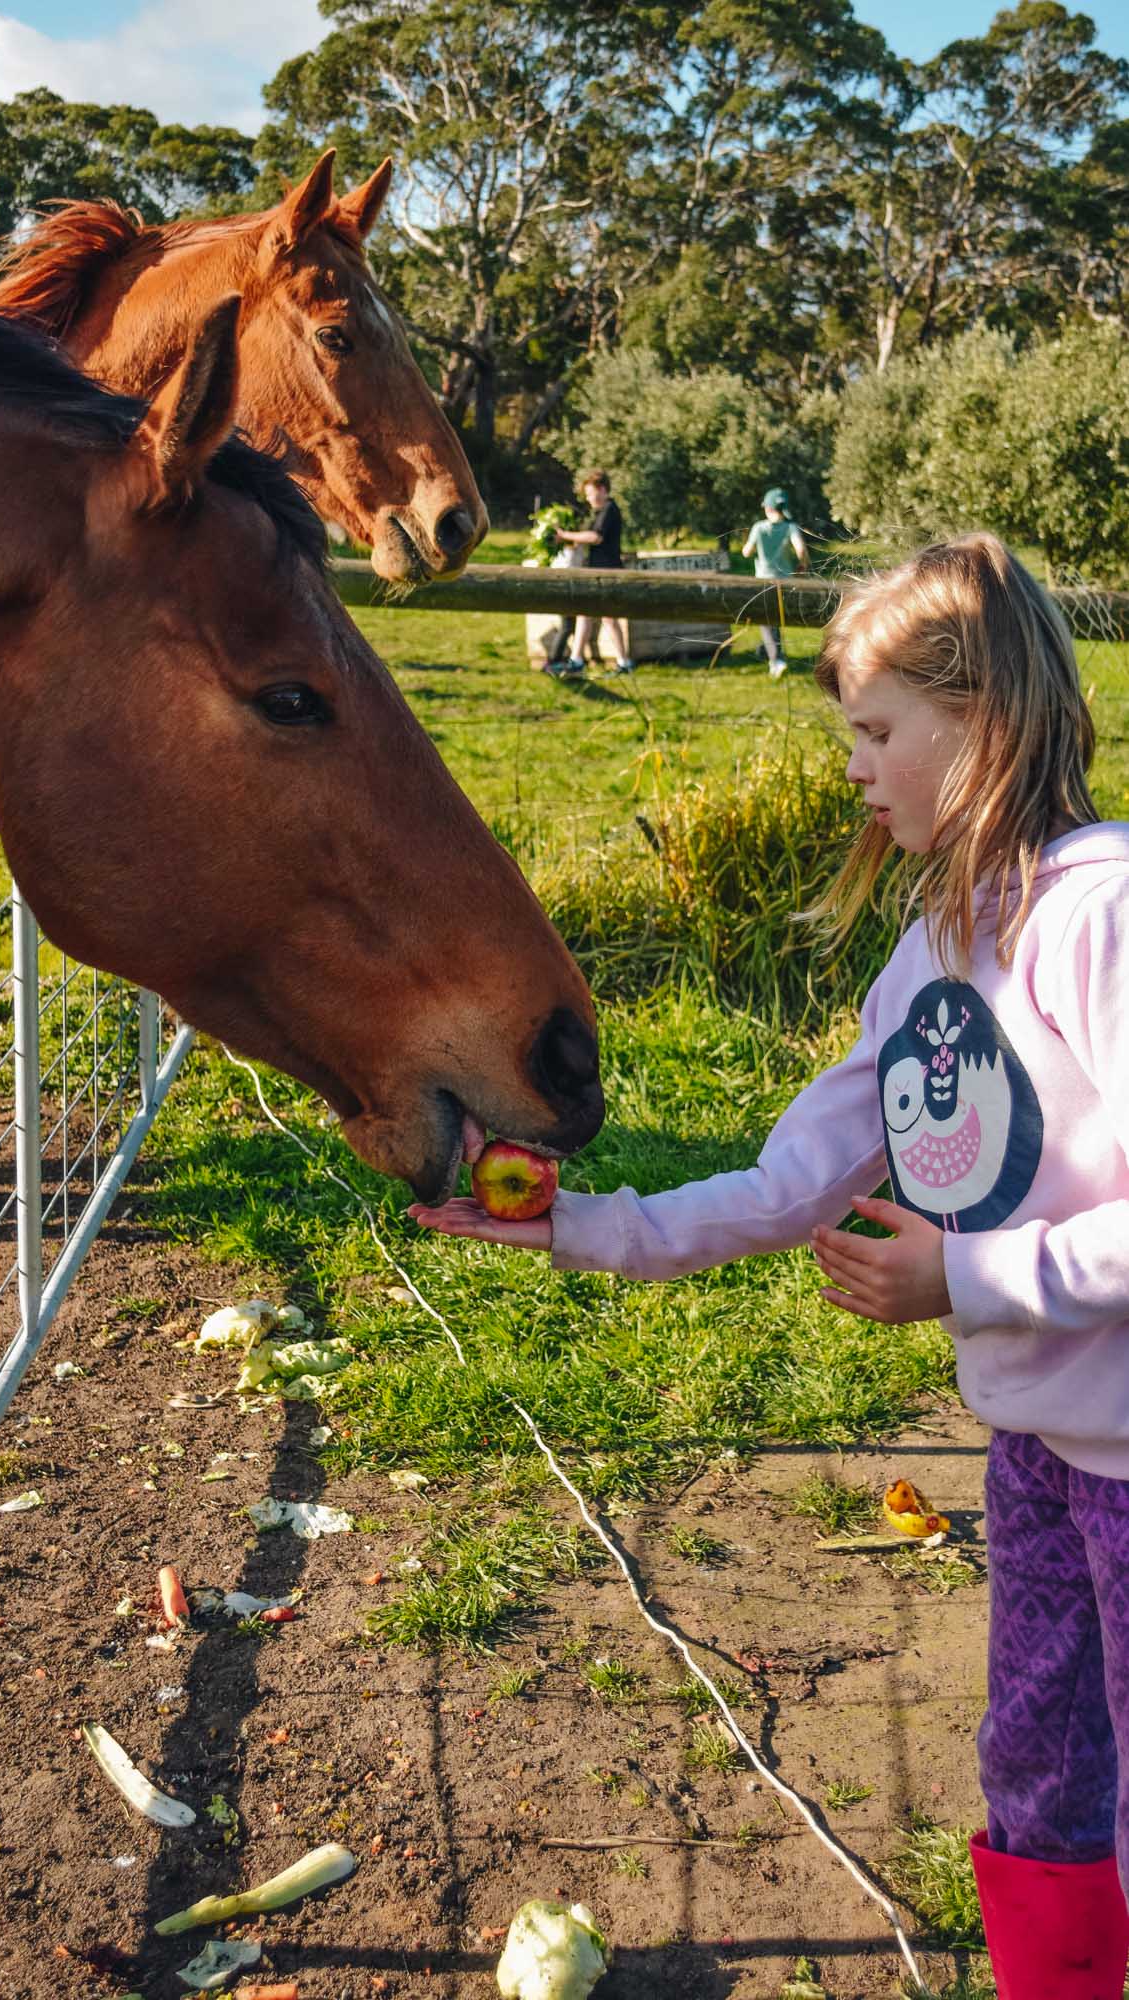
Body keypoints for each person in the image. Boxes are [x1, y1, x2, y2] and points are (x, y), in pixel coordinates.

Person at [411, 533, 1129, 2000]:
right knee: (1037, 1754)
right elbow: (786, 1184)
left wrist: (967, 1282)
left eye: (876, 730)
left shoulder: (1096, 915)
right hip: (1041, 1449)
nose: (855, 766)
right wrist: (573, 1225)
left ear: (982, 721)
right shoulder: (930, 963)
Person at [551, 470, 633, 676]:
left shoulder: (609, 510)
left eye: (590, 493)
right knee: (585, 614)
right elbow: (587, 536)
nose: (588, 499)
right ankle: (577, 660)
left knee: (608, 618)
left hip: (608, 571)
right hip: (596, 570)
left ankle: (624, 663)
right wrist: (569, 541)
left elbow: (596, 537)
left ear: (602, 490)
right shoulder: (599, 512)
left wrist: (565, 535)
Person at [742, 486, 807, 679]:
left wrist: (752, 546)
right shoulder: (791, 528)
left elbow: (746, 552)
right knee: (774, 619)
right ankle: (767, 651)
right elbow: (801, 550)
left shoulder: (759, 527)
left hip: (763, 580)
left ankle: (776, 661)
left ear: (767, 509)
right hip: (785, 582)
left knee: (766, 620)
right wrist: (803, 565)